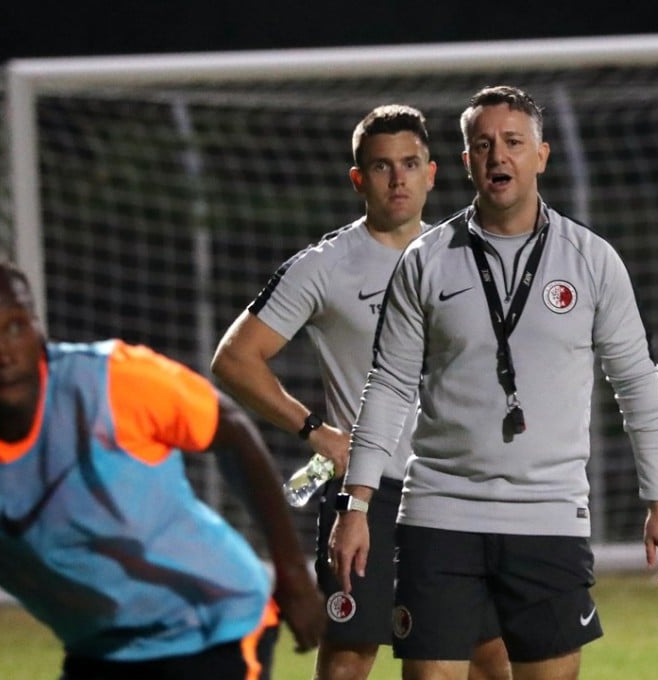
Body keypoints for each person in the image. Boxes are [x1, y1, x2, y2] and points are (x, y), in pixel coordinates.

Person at [330, 85, 658, 680]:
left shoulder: (593, 261)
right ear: (467, 162)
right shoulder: (426, 259)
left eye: (514, 143)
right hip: (440, 513)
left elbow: (638, 387)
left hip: (548, 516)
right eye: (484, 145)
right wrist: (357, 503)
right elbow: (388, 386)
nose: (499, 156)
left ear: (542, 155)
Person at [0, 248, 325, 679]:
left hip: (213, 623)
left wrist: (293, 576)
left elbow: (232, 430)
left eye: (16, 326)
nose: (3, 352)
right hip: (102, 652)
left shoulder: (114, 381)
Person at [211, 105, 510, 679]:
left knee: (490, 655)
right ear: (358, 179)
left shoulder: (469, 257)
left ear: (432, 172)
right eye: (381, 167)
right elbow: (235, 359)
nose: (398, 179)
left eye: (409, 164)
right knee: (350, 657)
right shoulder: (323, 267)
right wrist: (317, 433)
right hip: (370, 495)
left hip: (458, 489)